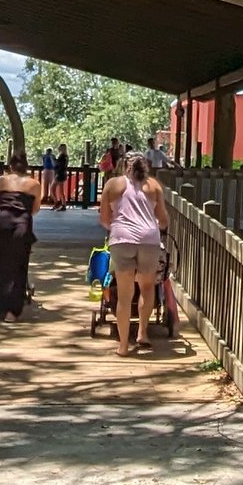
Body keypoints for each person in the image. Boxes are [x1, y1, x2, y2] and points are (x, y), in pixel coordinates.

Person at [98, 151, 168, 355]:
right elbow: (163, 218)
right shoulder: (154, 185)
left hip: (122, 240)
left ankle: (122, 346)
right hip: (149, 241)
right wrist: (159, 226)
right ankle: (143, 334)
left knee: (125, 295)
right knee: (147, 288)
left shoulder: (113, 185)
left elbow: (104, 218)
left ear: (123, 166)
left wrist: (116, 227)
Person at [0, 147, 40, 320]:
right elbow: (35, 209)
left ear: (10, 166)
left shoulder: (2, 181)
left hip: (4, 222)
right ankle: (12, 311)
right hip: (22, 224)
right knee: (18, 265)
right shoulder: (34, 184)